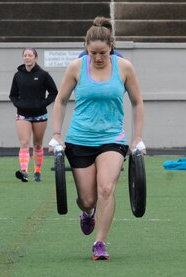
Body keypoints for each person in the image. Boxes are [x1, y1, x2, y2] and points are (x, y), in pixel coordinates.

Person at [50, 16, 145, 260]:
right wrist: (57, 135)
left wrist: (137, 138)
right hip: (79, 139)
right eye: (93, 53)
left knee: (106, 188)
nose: (98, 58)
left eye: (102, 52)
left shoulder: (124, 67)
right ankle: (88, 212)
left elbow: (137, 103)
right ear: (86, 49)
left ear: (111, 47)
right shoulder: (76, 67)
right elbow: (60, 101)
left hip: (112, 138)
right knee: (87, 199)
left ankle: (100, 242)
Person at [9, 48, 58, 183]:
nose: (27, 58)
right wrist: (19, 104)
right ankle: (24, 171)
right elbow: (12, 94)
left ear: (35, 57)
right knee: (24, 143)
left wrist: (42, 104)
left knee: (37, 144)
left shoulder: (43, 75)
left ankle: (37, 171)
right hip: (23, 115)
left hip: (40, 115)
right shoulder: (18, 75)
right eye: (25, 55)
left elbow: (54, 92)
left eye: (30, 55)